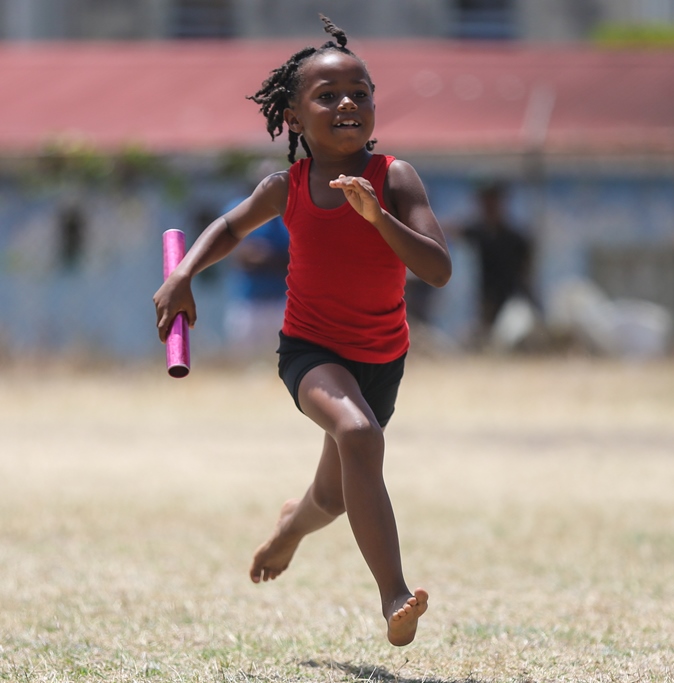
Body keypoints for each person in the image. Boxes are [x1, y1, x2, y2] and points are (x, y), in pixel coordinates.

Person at [153, 15, 452, 647]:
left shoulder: (395, 178)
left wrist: (379, 220)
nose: (348, 103)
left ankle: (291, 527)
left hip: (383, 359)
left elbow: (438, 269)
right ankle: (395, 594)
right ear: (293, 116)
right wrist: (183, 273)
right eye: (327, 95)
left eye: (361, 92)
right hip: (311, 353)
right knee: (358, 432)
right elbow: (230, 228)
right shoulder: (284, 187)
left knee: (335, 494)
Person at [456, 181, 535, 340]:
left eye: (492, 199)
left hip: (512, 302)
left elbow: (526, 275)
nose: (488, 205)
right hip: (486, 304)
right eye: (485, 200)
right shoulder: (477, 232)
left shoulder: (516, 239)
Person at [222, 192, 290, 357]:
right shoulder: (239, 209)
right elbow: (235, 253)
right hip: (248, 302)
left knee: (280, 359)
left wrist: (267, 257)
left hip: (280, 301)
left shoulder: (288, 213)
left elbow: (296, 256)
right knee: (243, 359)